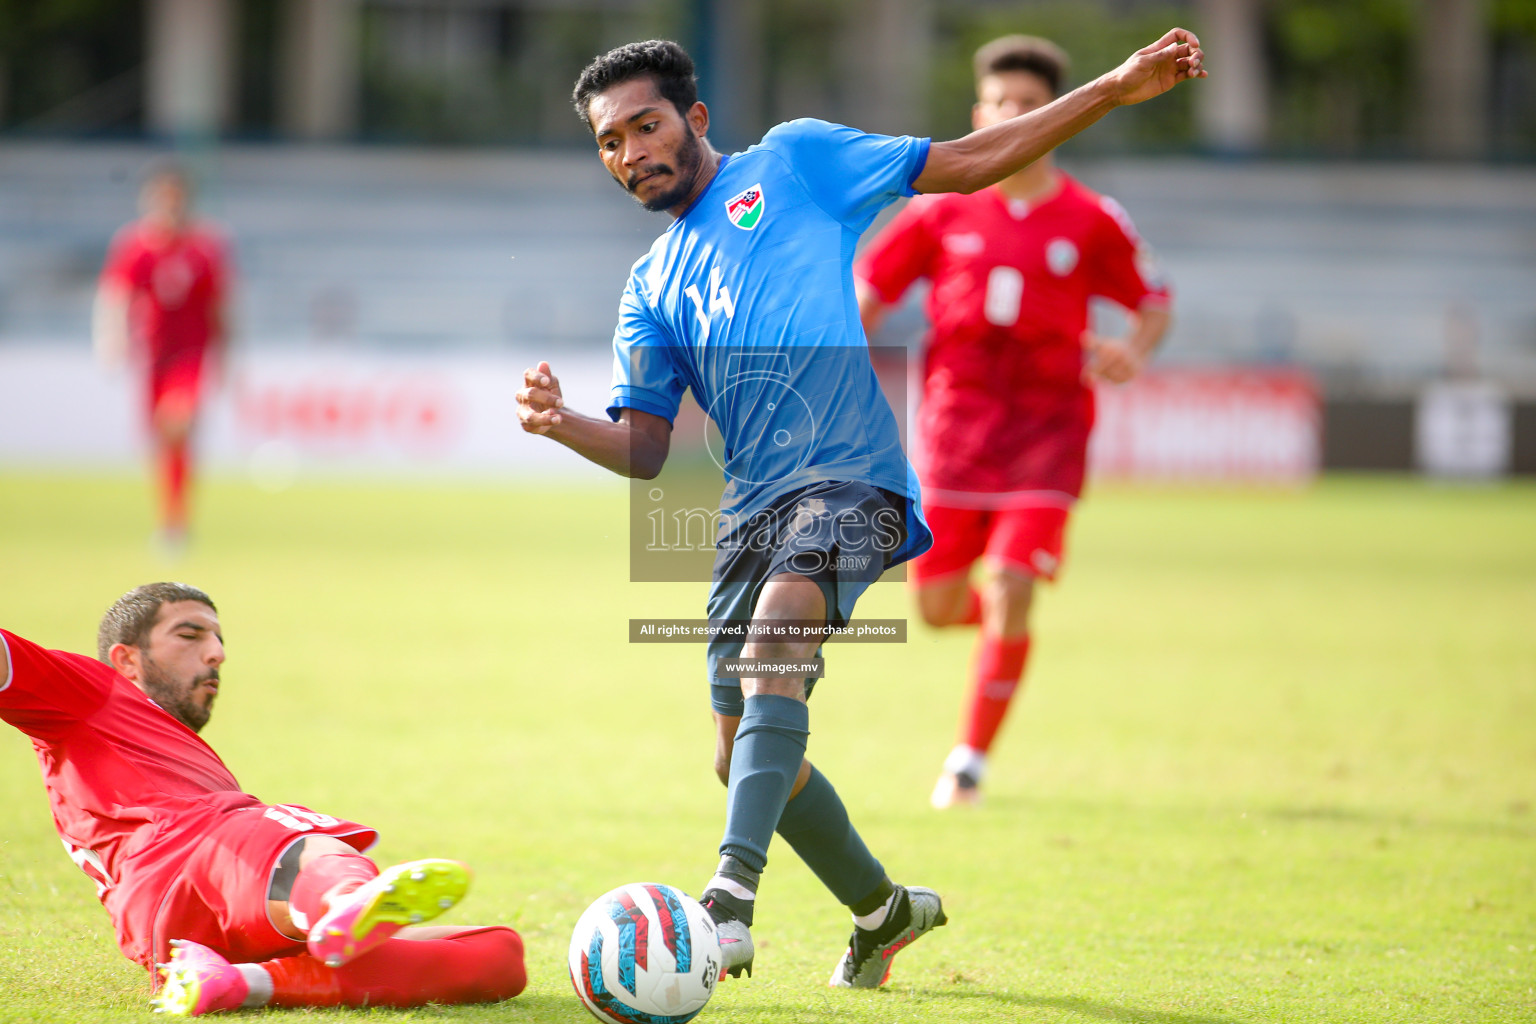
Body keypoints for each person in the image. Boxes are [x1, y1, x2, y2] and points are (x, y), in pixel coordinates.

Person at [517, 33, 1203, 989]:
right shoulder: (648, 287)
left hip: (854, 481)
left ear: (695, 120)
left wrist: (1116, 89)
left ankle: (728, 898)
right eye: (610, 141)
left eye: (646, 125)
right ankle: (883, 914)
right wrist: (562, 425)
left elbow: (963, 164)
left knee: (777, 636)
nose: (631, 152)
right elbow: (644, 448)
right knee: (740, 751)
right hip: (748, 511)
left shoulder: (795, 161)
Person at [855, 36, 1174, 809]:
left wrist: (1131, 349)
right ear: (979, 113)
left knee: (1011, 580)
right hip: (955, 438)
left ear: (1059, 117)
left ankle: (969, 762)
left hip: (1048, 436)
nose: (1015, 117)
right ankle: (1008, 635)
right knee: (935, 609)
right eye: (1003, 105)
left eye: (1032, 106)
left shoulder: (1092, 219)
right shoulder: (939, 209)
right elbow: (870, 288)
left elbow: (1151, 303)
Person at [0, 583, 526, 1016]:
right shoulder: (92, 690)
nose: (217, 653)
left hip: (184, 932)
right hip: (194, 859)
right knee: (274, 826)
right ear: (127, 660)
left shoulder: (174, 752)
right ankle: (343, 901)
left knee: (499, 954)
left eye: (220, 639)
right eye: (190, 634)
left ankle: (239, 983)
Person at [94, 164, 230, 553]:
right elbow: (115, 295)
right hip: (152, 355)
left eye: (176, 197)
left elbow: (221, 304)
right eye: (162, 197)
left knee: (178, 422)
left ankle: (175, 523)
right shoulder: (136, 245)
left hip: (191, 354)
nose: (169, 205)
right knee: (161, 441)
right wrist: (111, 340)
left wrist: (229, 354)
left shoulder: (204, 247)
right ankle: (171, 519)